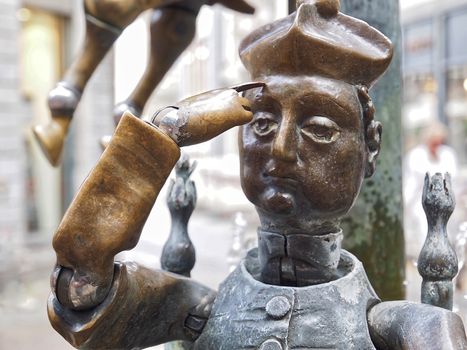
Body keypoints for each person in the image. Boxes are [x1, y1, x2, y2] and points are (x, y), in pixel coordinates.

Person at [47, 1, 467, 349]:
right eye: (262, 124)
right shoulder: (198, 310)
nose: (280, 150)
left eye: (319, 128)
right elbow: (80, 284)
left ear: (369, 148)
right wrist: (165, 132)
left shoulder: (405, 329)